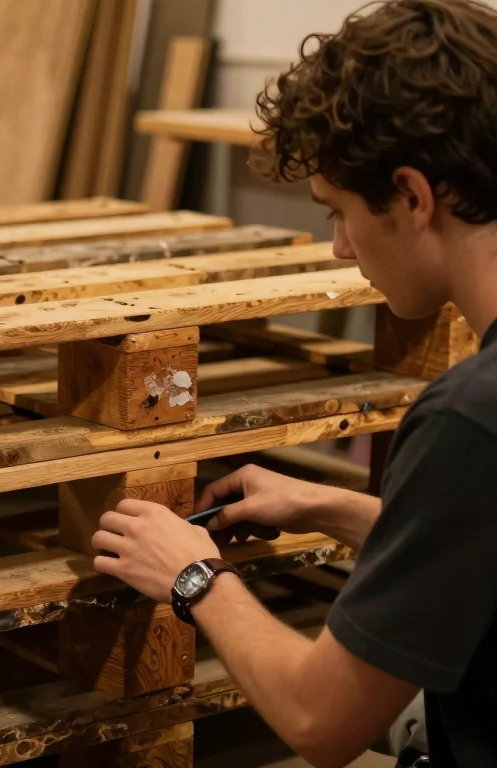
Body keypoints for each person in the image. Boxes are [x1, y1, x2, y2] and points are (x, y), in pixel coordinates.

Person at [91, 1, 497, 766]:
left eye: (340, 212)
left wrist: (193, 576)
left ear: (412, 197)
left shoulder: (469, 419)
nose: (342, 248)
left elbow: (322, 721)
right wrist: (331, 506)